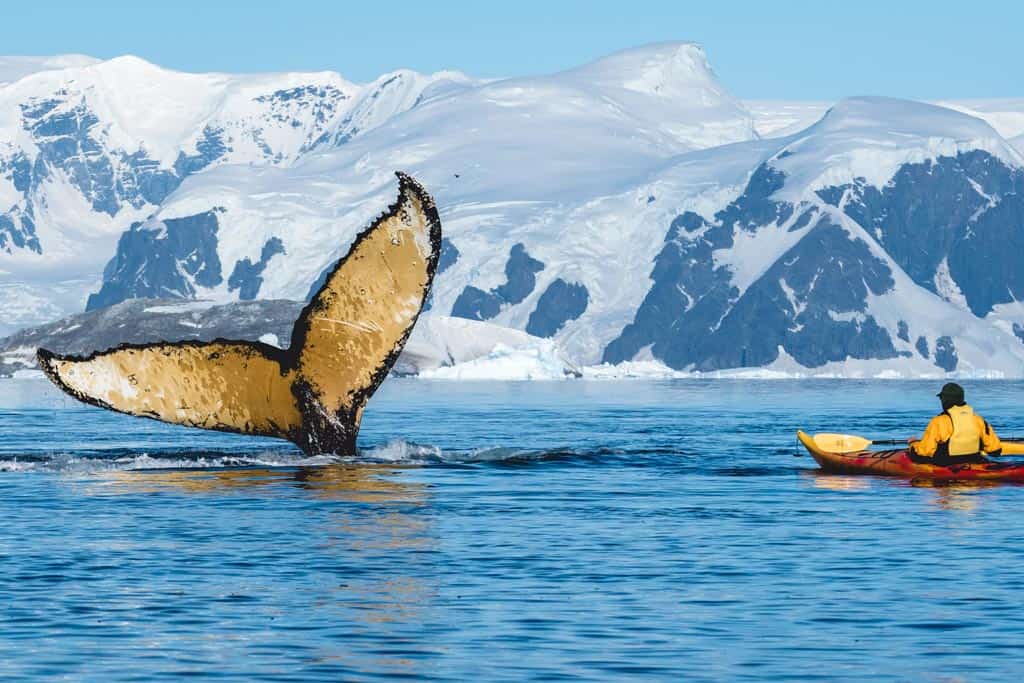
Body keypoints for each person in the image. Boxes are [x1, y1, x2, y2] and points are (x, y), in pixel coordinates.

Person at [909, 383, 1002, 464]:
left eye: (941, 398)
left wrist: (913, 444)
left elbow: (924, 453)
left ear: (945, 400)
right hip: (975, 461)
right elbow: (995, 450)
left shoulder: (938, 421)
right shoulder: (978, 420)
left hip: (946, 464)